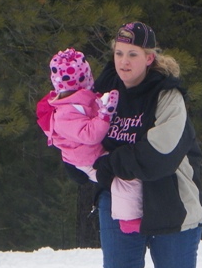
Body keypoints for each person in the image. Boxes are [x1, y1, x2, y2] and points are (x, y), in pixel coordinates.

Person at [86, 21, 202, 268]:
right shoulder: (105, 92)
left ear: (150, 57)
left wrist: (112, 163)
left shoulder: (168, 96)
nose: (124, 61)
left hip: (169, 199)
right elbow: (82, 137)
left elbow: (160, 154)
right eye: (119, 53)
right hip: (118, 198)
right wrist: (80, 163)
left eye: (133, 54)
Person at [37, 48, 143, 233]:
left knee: (127, 171)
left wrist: (103, 106)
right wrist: (105, 116)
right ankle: (129, 220)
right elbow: (90, 134)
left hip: (93, 153)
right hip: (87, 161)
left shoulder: (80, 100)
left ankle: (133, 212)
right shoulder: (64, 113)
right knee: (123, 180)